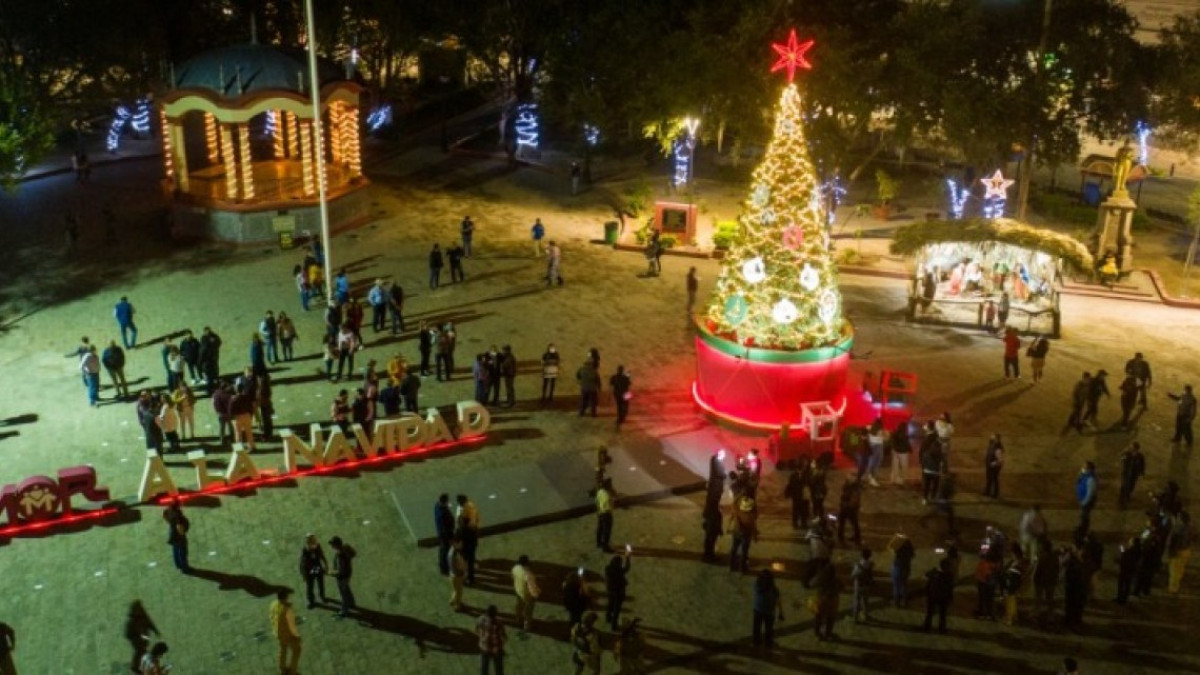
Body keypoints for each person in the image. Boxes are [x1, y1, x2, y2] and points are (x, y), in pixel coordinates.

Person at [269, 588, 302, 675]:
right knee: (297, 650)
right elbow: (292, 626)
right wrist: (297, 636)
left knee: (283, 648)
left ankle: (282, 669)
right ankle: (292, 672)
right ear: (286, 597)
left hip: (278, 632)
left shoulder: (274, 604)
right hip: (287, 634)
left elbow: (271, 616)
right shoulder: (287, 610)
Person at [752, 569, 785, 648]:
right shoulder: (774, 589)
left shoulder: (757, 586)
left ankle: (756, 642)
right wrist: (780, 612)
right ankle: (768, 643)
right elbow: (778, 601)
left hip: (758, 610)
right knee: (769, 629)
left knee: (757, 628)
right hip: (769, 612)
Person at [124, 602, 159, 674]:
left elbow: (149, 624)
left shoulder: (143, 619)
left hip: (143, 639)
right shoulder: (132, 621)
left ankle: (140, 666)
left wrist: (155, 631)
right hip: (137, 640)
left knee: (142, 651)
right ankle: (136, 667)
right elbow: (128, 633)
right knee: (140, 651)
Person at [811, 560, 840, 641]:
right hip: (832, 602)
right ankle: (827, 633)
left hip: (821, 600)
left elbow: (811, 583)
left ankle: (817, 633)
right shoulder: (835, 580)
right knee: (830, 619)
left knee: (818, 617)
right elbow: (841, 587)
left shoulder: (821, 578)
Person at [922, 557, 953, 634]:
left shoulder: (936, 573)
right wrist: (950, 597)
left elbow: (927, 574)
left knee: (930, 613)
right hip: (943, 597)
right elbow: (950, 588)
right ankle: (942, 628)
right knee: (942, 614)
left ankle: (927, 626)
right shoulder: (949, 576)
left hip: (933, 596)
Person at [329, 536, 357, 618]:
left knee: (344, 594)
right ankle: (352, 603)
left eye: (332, 544)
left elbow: (340, 571)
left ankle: (344, 611)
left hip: (342, 578)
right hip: (347, 576)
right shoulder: (344, 550)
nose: (331, 546)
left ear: (336, 545)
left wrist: (332, 573)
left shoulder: (341, 555)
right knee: (347, 590)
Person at [1002, 544, 1029, 626]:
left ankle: (1010, 618)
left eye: (1012, 553)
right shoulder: (1015, 561)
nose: (1011, 554)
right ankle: (1013, 616)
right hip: (1011, 581)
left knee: (1010, 599)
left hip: (1013, 582)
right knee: (1011, 599)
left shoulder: (1019, 562)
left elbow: (1020, 573)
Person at [604, 550, 632, 632]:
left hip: (610, 590)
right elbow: (627, 568)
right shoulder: (620, 570)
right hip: (618, 592)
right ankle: (614, 625)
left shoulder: (607, 568)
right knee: (616, 609)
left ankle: (608, 618)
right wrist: (628, 557)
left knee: (610, 605)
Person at [456, 494, 481, 584]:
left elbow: (462, 527)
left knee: (466, 559)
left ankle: (469, 577)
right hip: (472, 537)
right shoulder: (471, 506)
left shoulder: (463, 512)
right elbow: (477, 519)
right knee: (470, 557)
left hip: (468, 540)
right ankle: (470, 575)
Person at [512, 555, 540, 630]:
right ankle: (527, 625)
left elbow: (514, 578)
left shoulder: (515, 568)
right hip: (527, 594)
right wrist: (536, 594)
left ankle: (517, 621)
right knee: (528, 610)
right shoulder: (528, 574)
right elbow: (532, 587)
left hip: (518, 591)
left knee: (519, 607)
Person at [299, 534, 328, 609]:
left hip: (317, 568)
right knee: (309, 586)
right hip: (309, 570)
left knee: (320, 583)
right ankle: (311, 601)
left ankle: (322, 596)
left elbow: (322, 555)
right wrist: (303, 573)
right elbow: (302, 563)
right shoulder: (305, 550)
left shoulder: (317, 547)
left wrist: (326, 565)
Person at [1167, 511, 1192, 593]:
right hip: (1186, 550)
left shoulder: (1177, 529)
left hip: (1178, 551)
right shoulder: (1189, 527)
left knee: (1174, 570)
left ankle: (1173, 588)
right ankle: (1176, 585)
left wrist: (1170, 553)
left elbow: (1172, 541)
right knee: (1180, 570)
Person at [477, 604, 507, 675]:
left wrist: (482, 638)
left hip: (485, 647)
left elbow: (477, 630)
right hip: (496, 648)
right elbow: (503, 636)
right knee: (499, 668)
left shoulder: (481, 620)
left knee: (484, 668)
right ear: (495, 614)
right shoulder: (499, 623)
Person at [887, 532, 915, 607]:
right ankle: (904, 602)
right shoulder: (909, 550)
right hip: (906, 567)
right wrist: (906, 539)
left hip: (898, 567)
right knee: (904, 585)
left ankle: (896, 603)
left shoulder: (898, 549)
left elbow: (890, 546)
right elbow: (912, 555)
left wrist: (896, 538)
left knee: (896, 586)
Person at [783, 459, 812, 530]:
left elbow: (809, 483)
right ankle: (795, 523)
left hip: (804, 495)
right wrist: (788, 493)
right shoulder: (794, 475)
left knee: (804, 510)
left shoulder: (807, 475)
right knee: (795, 510)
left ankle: (803, 523)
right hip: (796, 495)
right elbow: (790, 484)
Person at [163, 499, 190, 573]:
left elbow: (165, 515)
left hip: (172, 534)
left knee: (175, 550)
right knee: (183, 552)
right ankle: (185, 568)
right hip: (178, 536)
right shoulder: (178, 515)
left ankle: (178, 564)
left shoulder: (168, 510)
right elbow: (179, 527)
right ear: (178, 506)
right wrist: (183, 532)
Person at [1118, 442, 1145, 509]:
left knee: (1131, 485)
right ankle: (1122, 498)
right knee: (1124, 485)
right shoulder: (1127, 454)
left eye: (1132, 447)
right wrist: (1123, 452)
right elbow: (1121, 458)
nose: (1131, 448)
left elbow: (1142, 464)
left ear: (1136, 448)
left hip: (1134, 474)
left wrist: (1142, 473)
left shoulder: (1140, 456)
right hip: (1126, 473)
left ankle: (1127, 495)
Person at [851, 547, 875, 622]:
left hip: (858, 585)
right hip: (866, 585)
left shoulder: (858, 565)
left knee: (857, 601)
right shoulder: (870, 564)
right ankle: (865, 615)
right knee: (865, 601)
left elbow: (853, 575)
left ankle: (855, 617)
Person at [1115, 535, 1141, 604]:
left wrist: (1121, 552)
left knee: (1123, 584)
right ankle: (1123, 598)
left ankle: (1121, 598)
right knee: (1127, 584)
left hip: (1126, 569)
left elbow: (1124, 557)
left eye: (1131, 541)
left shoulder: (1131, 550)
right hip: (1131, 570)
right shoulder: (1138, 550)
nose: (1129, 542)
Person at [838, 474, 863, 544]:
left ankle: (856, 537)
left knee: (853, 522)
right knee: (843, 522)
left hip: (850, 508)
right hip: (846, 506)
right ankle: (841, 535)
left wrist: (848, 505)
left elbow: (854, 499)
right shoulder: (848, 485)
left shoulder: (855, 488)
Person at [1076, 462, 1098, 537]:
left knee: (1084, 516)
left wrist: (1084, 502)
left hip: (1086, 502)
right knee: (1083, 515)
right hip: (1083, 499)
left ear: (1090, 469)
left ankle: (1083, 530)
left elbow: (1090, 494)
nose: (1083, 468)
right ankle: (1083, 528)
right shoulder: (1084, 475)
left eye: (1085, 467)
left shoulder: (1091, 480)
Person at [595, 478, 615, 553]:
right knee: (607, 531)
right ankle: (605, 547)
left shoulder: (600, 492)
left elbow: (596, 501)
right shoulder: (607, 495)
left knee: (600, 528)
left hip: (600, 512)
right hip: (607, 514)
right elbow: (609, 506)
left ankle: (598, 542)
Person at [448, 537, 468, 611]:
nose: (461, 545)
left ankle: (453, 600)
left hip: (452, 574)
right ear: (455, 543)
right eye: (460, 543)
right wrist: (462, 573)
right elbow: (457, 566)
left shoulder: (451, 551)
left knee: (455, 589)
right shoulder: (454, 554)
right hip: (456, 575)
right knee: (459, 591)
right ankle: (457, 605)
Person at [984, 433, 1004, 498]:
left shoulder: (998, 448)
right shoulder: (992, 445)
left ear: (997, 439)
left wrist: (993, 463)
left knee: (994, 479)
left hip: (995, 467)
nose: (991, 438)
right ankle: (987, 492)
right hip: (990, 465)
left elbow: (1000, 460)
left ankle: (995, 494)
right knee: (989, 479)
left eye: (993, 437)